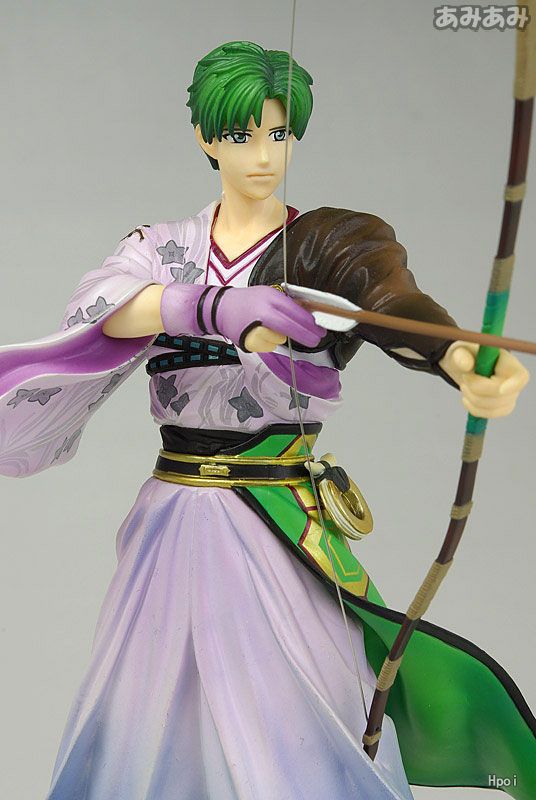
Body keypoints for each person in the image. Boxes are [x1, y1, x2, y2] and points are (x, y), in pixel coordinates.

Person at [0, 40, 533, 800]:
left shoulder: (326, 244)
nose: (262, 155)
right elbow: (105, 307)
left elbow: (389, 303)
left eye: (278, 134)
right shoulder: (163, 248)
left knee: (302, 701)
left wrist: (457, 359)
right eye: (241, 134)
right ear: (205, 138)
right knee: (147, 701)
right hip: (175, 512)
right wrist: (210, 307)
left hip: (278, 516)